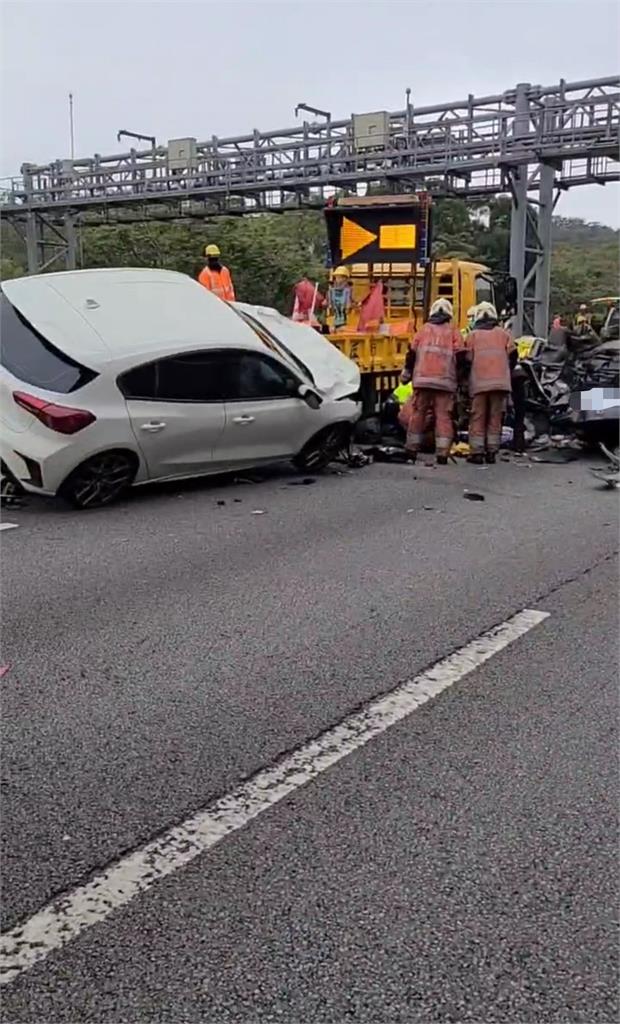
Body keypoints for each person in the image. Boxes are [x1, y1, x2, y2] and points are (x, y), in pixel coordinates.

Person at [400, 298, 464, 465]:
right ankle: (442, 453)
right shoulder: (454, 332)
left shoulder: (423, 330)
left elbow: (411, 354)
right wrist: (461, 379)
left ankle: (411, 450)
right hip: (445, 382)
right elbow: (462, 357)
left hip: (422, 380)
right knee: (443, 416)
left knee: (418, 413)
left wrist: (407, 374)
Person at [465, 301, 516, 464]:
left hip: (479, 383)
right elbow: (514, 356)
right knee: (495, 417)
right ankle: (492, 452)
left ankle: (477, 452)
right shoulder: (504, 334)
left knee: (478, 417)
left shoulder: (472, 336)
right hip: (500, 384)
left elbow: (466, 360)